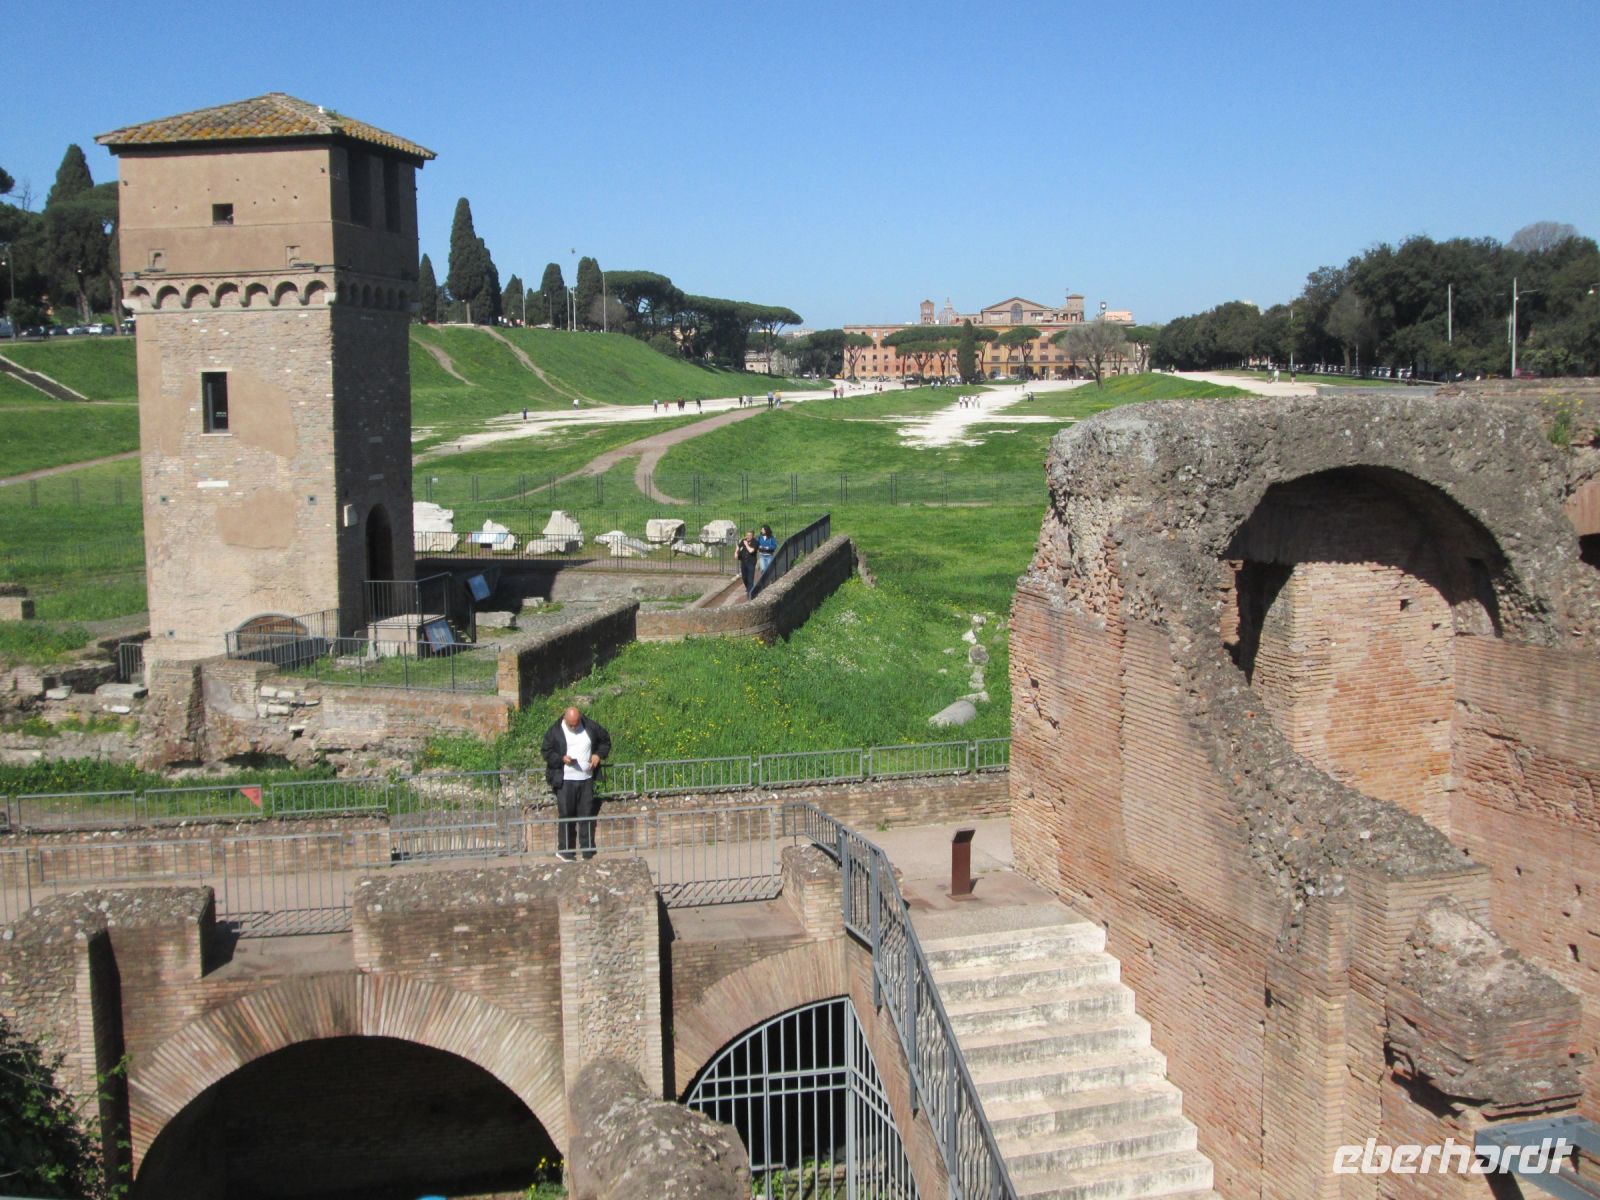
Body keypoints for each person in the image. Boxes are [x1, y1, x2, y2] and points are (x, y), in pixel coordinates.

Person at [542, 706, 612, 860]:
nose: (574, 727)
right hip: (565, 781)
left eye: (576, 723)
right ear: (564, 719)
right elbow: (546, 752)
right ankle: (565, 851)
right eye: (571, 724)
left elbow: (605, 741)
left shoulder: (590, 726)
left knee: (585, 815)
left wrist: (598, 754)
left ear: (580, 718)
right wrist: (562, 758)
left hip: (586, 779)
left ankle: (587, 850)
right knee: (566, 815)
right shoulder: (555, 731)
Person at [736, 530, 759, 598]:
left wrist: (746, 544)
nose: (747, 537)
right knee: (744, 578)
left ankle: (750, 594)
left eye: (749, 535)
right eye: (747, 535)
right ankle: (748, 587)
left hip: (751, 562)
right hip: (743, 562)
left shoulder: (755, 542)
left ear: (752, 536)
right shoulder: (743, 540)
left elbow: (751, 551)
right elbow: (738, 546)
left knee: (750, 578)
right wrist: (736, 553)